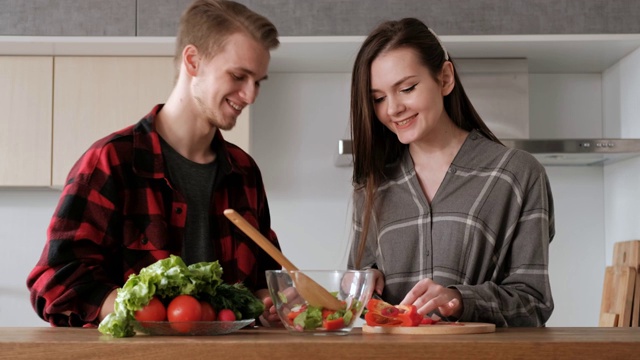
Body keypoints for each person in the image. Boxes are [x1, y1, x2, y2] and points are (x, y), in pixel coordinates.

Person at [27, 0, 282, 327]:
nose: (250, 95)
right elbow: (54, 281)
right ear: (193, 61)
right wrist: (151, 311)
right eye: (238, 76)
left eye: (258, 81)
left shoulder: (244, 171)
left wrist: (267, 301)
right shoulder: (111, 161)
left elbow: (264, 276)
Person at [347, 18, 555, 327]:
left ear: (445, 78)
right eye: (378, 98)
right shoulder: (373, 186)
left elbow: (533, 303)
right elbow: (356, 299)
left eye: (406, 88)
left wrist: (459, 301)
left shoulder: (517, 174)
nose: (392, 109)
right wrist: (362, 288)